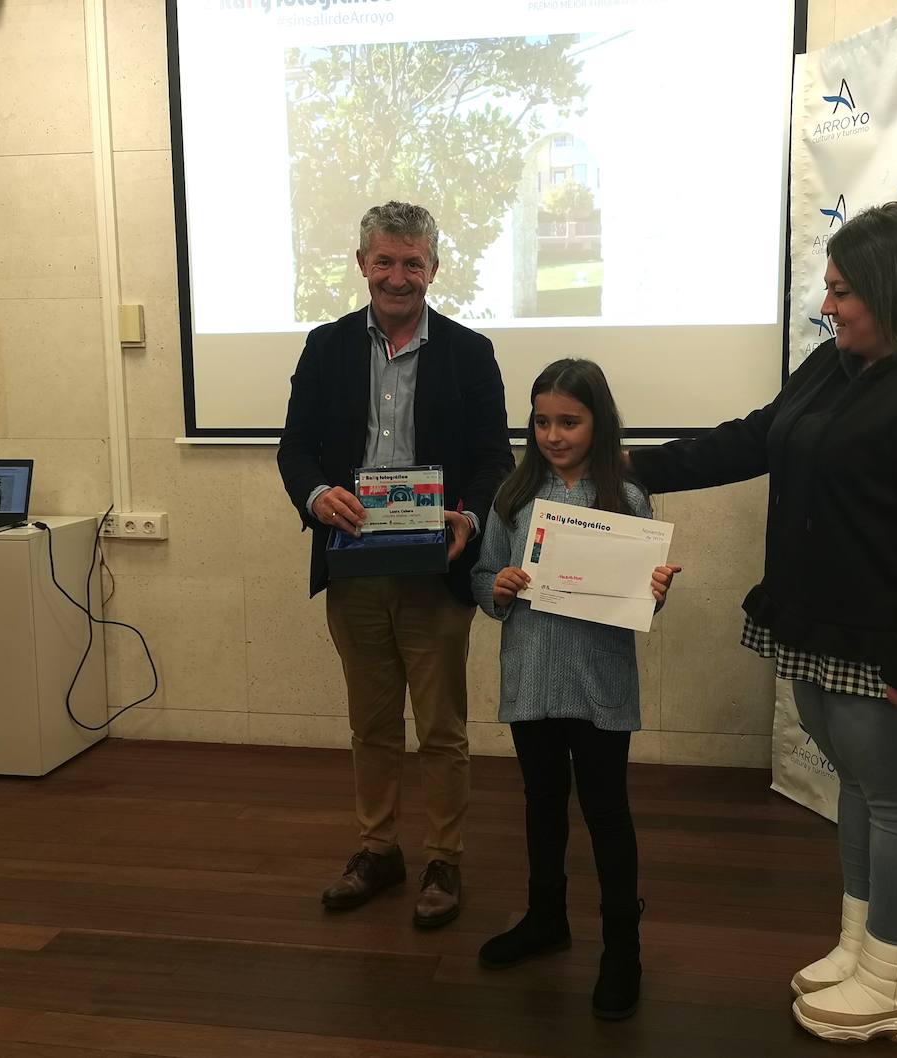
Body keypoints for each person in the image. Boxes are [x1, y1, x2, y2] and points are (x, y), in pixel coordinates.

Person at [629, 202, 897, 1044]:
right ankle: (861, 949)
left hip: (895, 642)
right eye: (828, 290)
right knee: (863, 791)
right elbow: (755, 439)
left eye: (843, 291)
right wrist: (628, 465)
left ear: (891, 287)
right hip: (822, 623)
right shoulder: (833, 364)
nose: (829, 306)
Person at [278, 201, 513, 929]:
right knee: (371, 724)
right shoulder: (324, 347)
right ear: (362, 266)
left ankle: (444, 858)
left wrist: (470, 518)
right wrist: (318, 496)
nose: (398, 276)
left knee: (441, 728)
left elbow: (493, 460)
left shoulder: (470, 354)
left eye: (413, 262)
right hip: (353, 571)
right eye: (385, 261)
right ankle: (379, 849)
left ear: (434, 269)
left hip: (435, 574)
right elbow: (296, 450)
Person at [471, 359, 678, 1020]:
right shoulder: (512, 496)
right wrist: (495, 587)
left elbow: (640, 605)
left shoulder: (627, 499)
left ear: (599, 422)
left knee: (607, 813)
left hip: (599, 685)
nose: (554, 435)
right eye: (542, 421)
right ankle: (545, 917)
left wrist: (654, 594)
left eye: (570, 421)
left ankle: (623, 948)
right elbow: (483, 577)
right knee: (541, 803)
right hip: (531, 679)